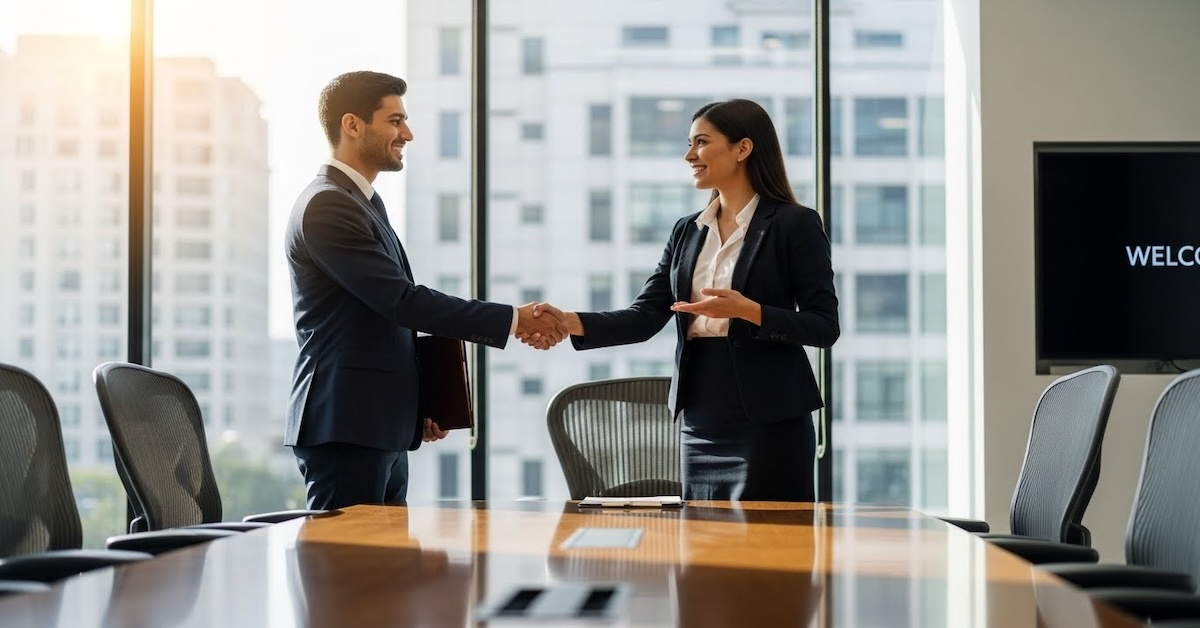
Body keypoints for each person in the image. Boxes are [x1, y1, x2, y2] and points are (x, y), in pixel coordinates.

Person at [529, 99, 839, 501]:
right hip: (701, 414)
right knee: (702, 550)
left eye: (701, 143)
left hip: (770, 418)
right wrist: (570, 321)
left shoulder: (794, 224)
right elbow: (646, 316)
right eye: (689, 144)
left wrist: (747, 311)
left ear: (742, 149)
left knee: (769, 549)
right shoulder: (687, 231)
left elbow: (823, 327)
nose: (689, 155)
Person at [285, 71, 567, 510]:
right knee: (345, 572)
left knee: (384, 571)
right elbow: (401, 302)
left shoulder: (361, 202)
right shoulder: (328, 205)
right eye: (395, 121)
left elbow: (379, 318)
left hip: (376, 424)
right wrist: (513, 319)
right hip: (345, 423)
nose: (407, 134)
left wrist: (415, 403)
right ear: (352, 125)